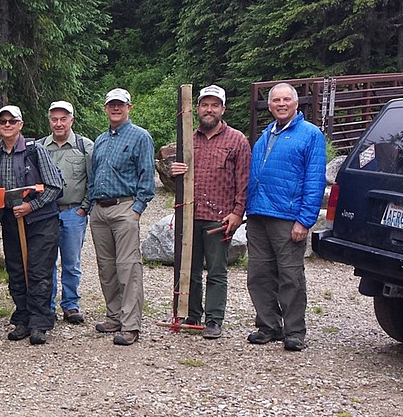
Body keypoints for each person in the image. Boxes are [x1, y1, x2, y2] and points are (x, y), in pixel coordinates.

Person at [245, 83, 327, 351]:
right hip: (258, 214)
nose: (281, 104)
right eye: (276, 100)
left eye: (286, 99)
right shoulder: (266, 135)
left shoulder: (310, 135)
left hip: (287, 217)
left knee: (290, 276)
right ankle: (268, 325)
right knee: (259, 274)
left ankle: (294, 331)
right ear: (269, 106)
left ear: (296, 103)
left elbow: (314, 180)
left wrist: (305, 220)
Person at [168, 85, 251, 339]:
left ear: (223, 109)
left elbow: (244, 180)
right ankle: (192, 314)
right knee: (189, 269)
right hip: (191, 216)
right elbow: (179, 179)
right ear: (197, 108)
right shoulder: (188, 140)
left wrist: (238, 213)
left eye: (215, 105)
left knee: (216, 271)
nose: (209, 109)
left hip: (220, 218)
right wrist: (174, 173)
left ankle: (214, 319)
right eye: (205, 104)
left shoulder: (237, 140)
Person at [0, 105, 63, 345]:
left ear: (20, 124)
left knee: (38, 270)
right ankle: (22, 317)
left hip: (40, 220)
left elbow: (55, 186)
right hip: (11, 220)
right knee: (16, 271)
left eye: (12, 121)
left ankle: (40, 322)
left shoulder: (35, 151)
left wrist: (32, 206)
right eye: (3, 121)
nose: (7, 125)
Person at [87, 88, 156, 346]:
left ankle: (131, 325)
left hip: (125, 207)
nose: (116, 108)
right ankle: (114, 316)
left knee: (128, 268)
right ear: (106, 108)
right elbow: (93, 175)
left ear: (129, 107)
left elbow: (146, 175)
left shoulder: (140, 137)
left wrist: (137, 208)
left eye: (121, 104)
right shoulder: (101, 140)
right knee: (106, 268)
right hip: (100, 210)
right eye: (111, 105)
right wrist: (91, 205)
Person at [39, 101, 93, 326]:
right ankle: (47, 305)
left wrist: (84, 208)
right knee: (46, 262)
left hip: (73, 212)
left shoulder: (85, 146)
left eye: (63, 119)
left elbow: (93, 179)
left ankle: (70, 305)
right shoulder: (40, 146)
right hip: (47, 213)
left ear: (72, 120)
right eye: (54, 119)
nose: (58, 124)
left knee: (71, 262)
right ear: (49, 120)